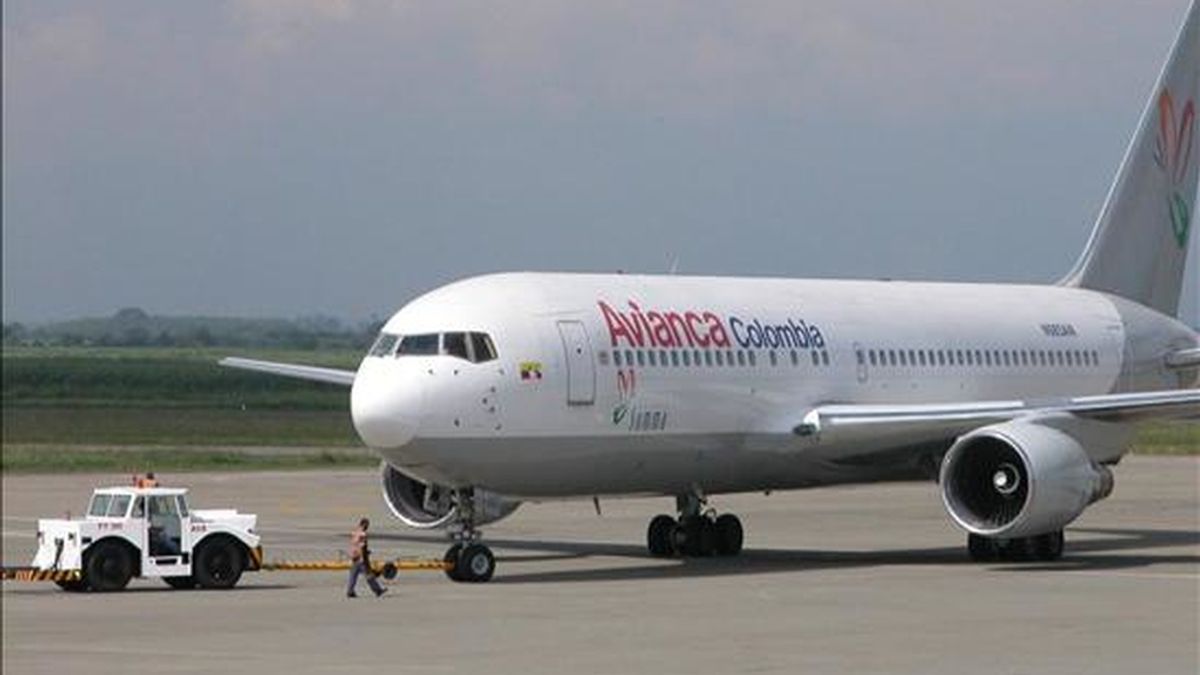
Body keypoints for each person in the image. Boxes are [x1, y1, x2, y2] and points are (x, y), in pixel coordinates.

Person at [346, 517, 386, 598]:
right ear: (364, 524)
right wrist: (366, 559)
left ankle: (350, 591)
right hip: (361, 558)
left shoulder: (355, 533)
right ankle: (378, 590)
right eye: (367, 525)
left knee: (353, 575)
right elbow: (362, 547)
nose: (368, 527)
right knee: (369, 575)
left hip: (354, 557)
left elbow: (354, 545)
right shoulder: (363, 534)